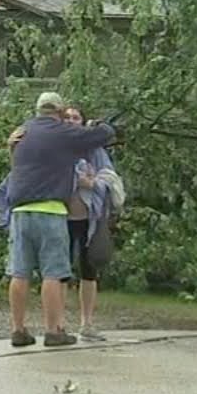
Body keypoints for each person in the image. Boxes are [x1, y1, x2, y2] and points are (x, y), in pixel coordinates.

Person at [1, 92, 116, 348]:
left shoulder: (23, 133)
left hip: (20, 211)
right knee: (52, 273)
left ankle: (18, 330)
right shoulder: (63, 132)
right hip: (51, 210)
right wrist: (99, 124)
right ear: (60, 111)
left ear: (38, 109)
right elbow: (105, 134)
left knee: (19, 272)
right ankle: (54, 331)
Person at [60, 106, 117, 342]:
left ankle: (87, 323)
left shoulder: (95, 149)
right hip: (61, 217)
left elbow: (109, 178)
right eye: (67, 118)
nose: (72, 121)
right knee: (59, 271)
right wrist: (75, 179)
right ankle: (58, 324)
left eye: (76, 118)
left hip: (89, 218)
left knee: (89, 269)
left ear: (83, 122)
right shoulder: (57, 146)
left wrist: (92, 183)